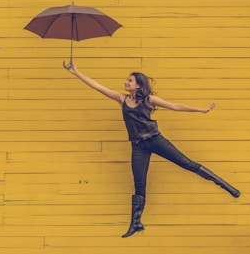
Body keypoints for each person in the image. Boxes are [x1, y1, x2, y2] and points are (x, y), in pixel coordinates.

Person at [63, 61, 240, 238]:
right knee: (139, 184)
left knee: (187, 164)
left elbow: (174, 106)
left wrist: (201, 110)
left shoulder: (149, 100)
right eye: (127, 80)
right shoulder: (121, 98)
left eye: (130, 80)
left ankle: (225, 185)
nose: (126, 83)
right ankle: (136, 223)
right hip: (138, 146)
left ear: (138, 84)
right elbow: (97, 87)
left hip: (155, 140)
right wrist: (76, 72)